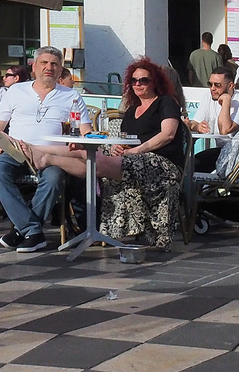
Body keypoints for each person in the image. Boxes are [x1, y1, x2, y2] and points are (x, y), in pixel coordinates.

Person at [22, 56, 185, 251]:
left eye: (144, 80)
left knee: (95, 160)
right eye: (134, 81)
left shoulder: (166, 102)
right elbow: (127, 139)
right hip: (133, 158)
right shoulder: (133, 110)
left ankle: (47, 158)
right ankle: (35, 148)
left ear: (155, 81)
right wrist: (120, 147)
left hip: (161, 165)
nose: (138, 84)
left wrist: (135, 151)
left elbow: (168, 134)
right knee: (88, 150)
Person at [0, 47, 87, 253]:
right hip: (16, 151)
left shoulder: (72, 96)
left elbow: (86, 132)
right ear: (34, 66)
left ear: (60, 70)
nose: (49, 67)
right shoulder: (16, 91)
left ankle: (23, 231)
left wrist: (83, 140)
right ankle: (32, 230)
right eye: (44, 63)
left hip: (52, 155)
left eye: (54, 64)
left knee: (54, 179)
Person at [189, 65, 239, 172]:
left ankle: (201, 188)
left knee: (196, 164)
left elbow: (225, 130)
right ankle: (201, 189)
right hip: (222, 152)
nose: (212, 88)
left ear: (230, 86)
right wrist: (197, 127)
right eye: (210, 84)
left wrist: (226, 101)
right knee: (191, 162)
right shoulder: (208, 97)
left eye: (217, 85)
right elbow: (194, 123)